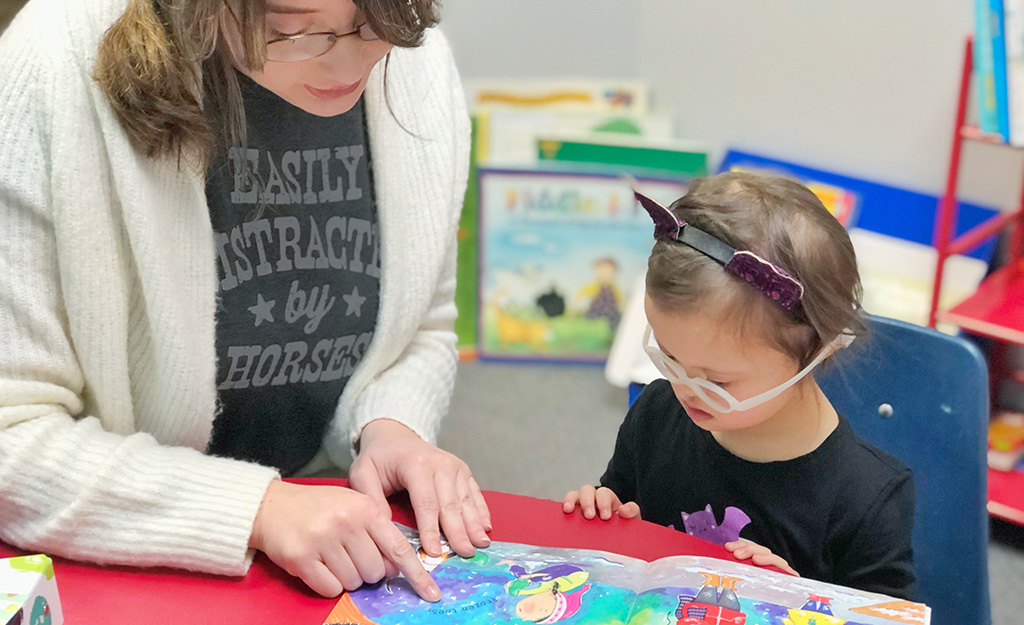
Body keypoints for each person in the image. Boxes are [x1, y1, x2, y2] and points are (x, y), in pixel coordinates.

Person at [0, 0, 490, 602]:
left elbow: (423, 324)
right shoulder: (48, 65)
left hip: (331, 540)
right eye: (294, 29)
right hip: (128, 557)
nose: (353, 58)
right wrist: (257, 509)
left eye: (379, 22)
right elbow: (11, 439)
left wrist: (391, 426)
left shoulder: (411, 59)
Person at [562, 172, 917, 599]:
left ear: (819, 350)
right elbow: (622, 505)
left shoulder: (865, 500)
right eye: (669, 358)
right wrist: (606, 511)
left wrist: (795, 601)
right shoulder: (658, 412)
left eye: (717, 380)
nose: (686, 389)